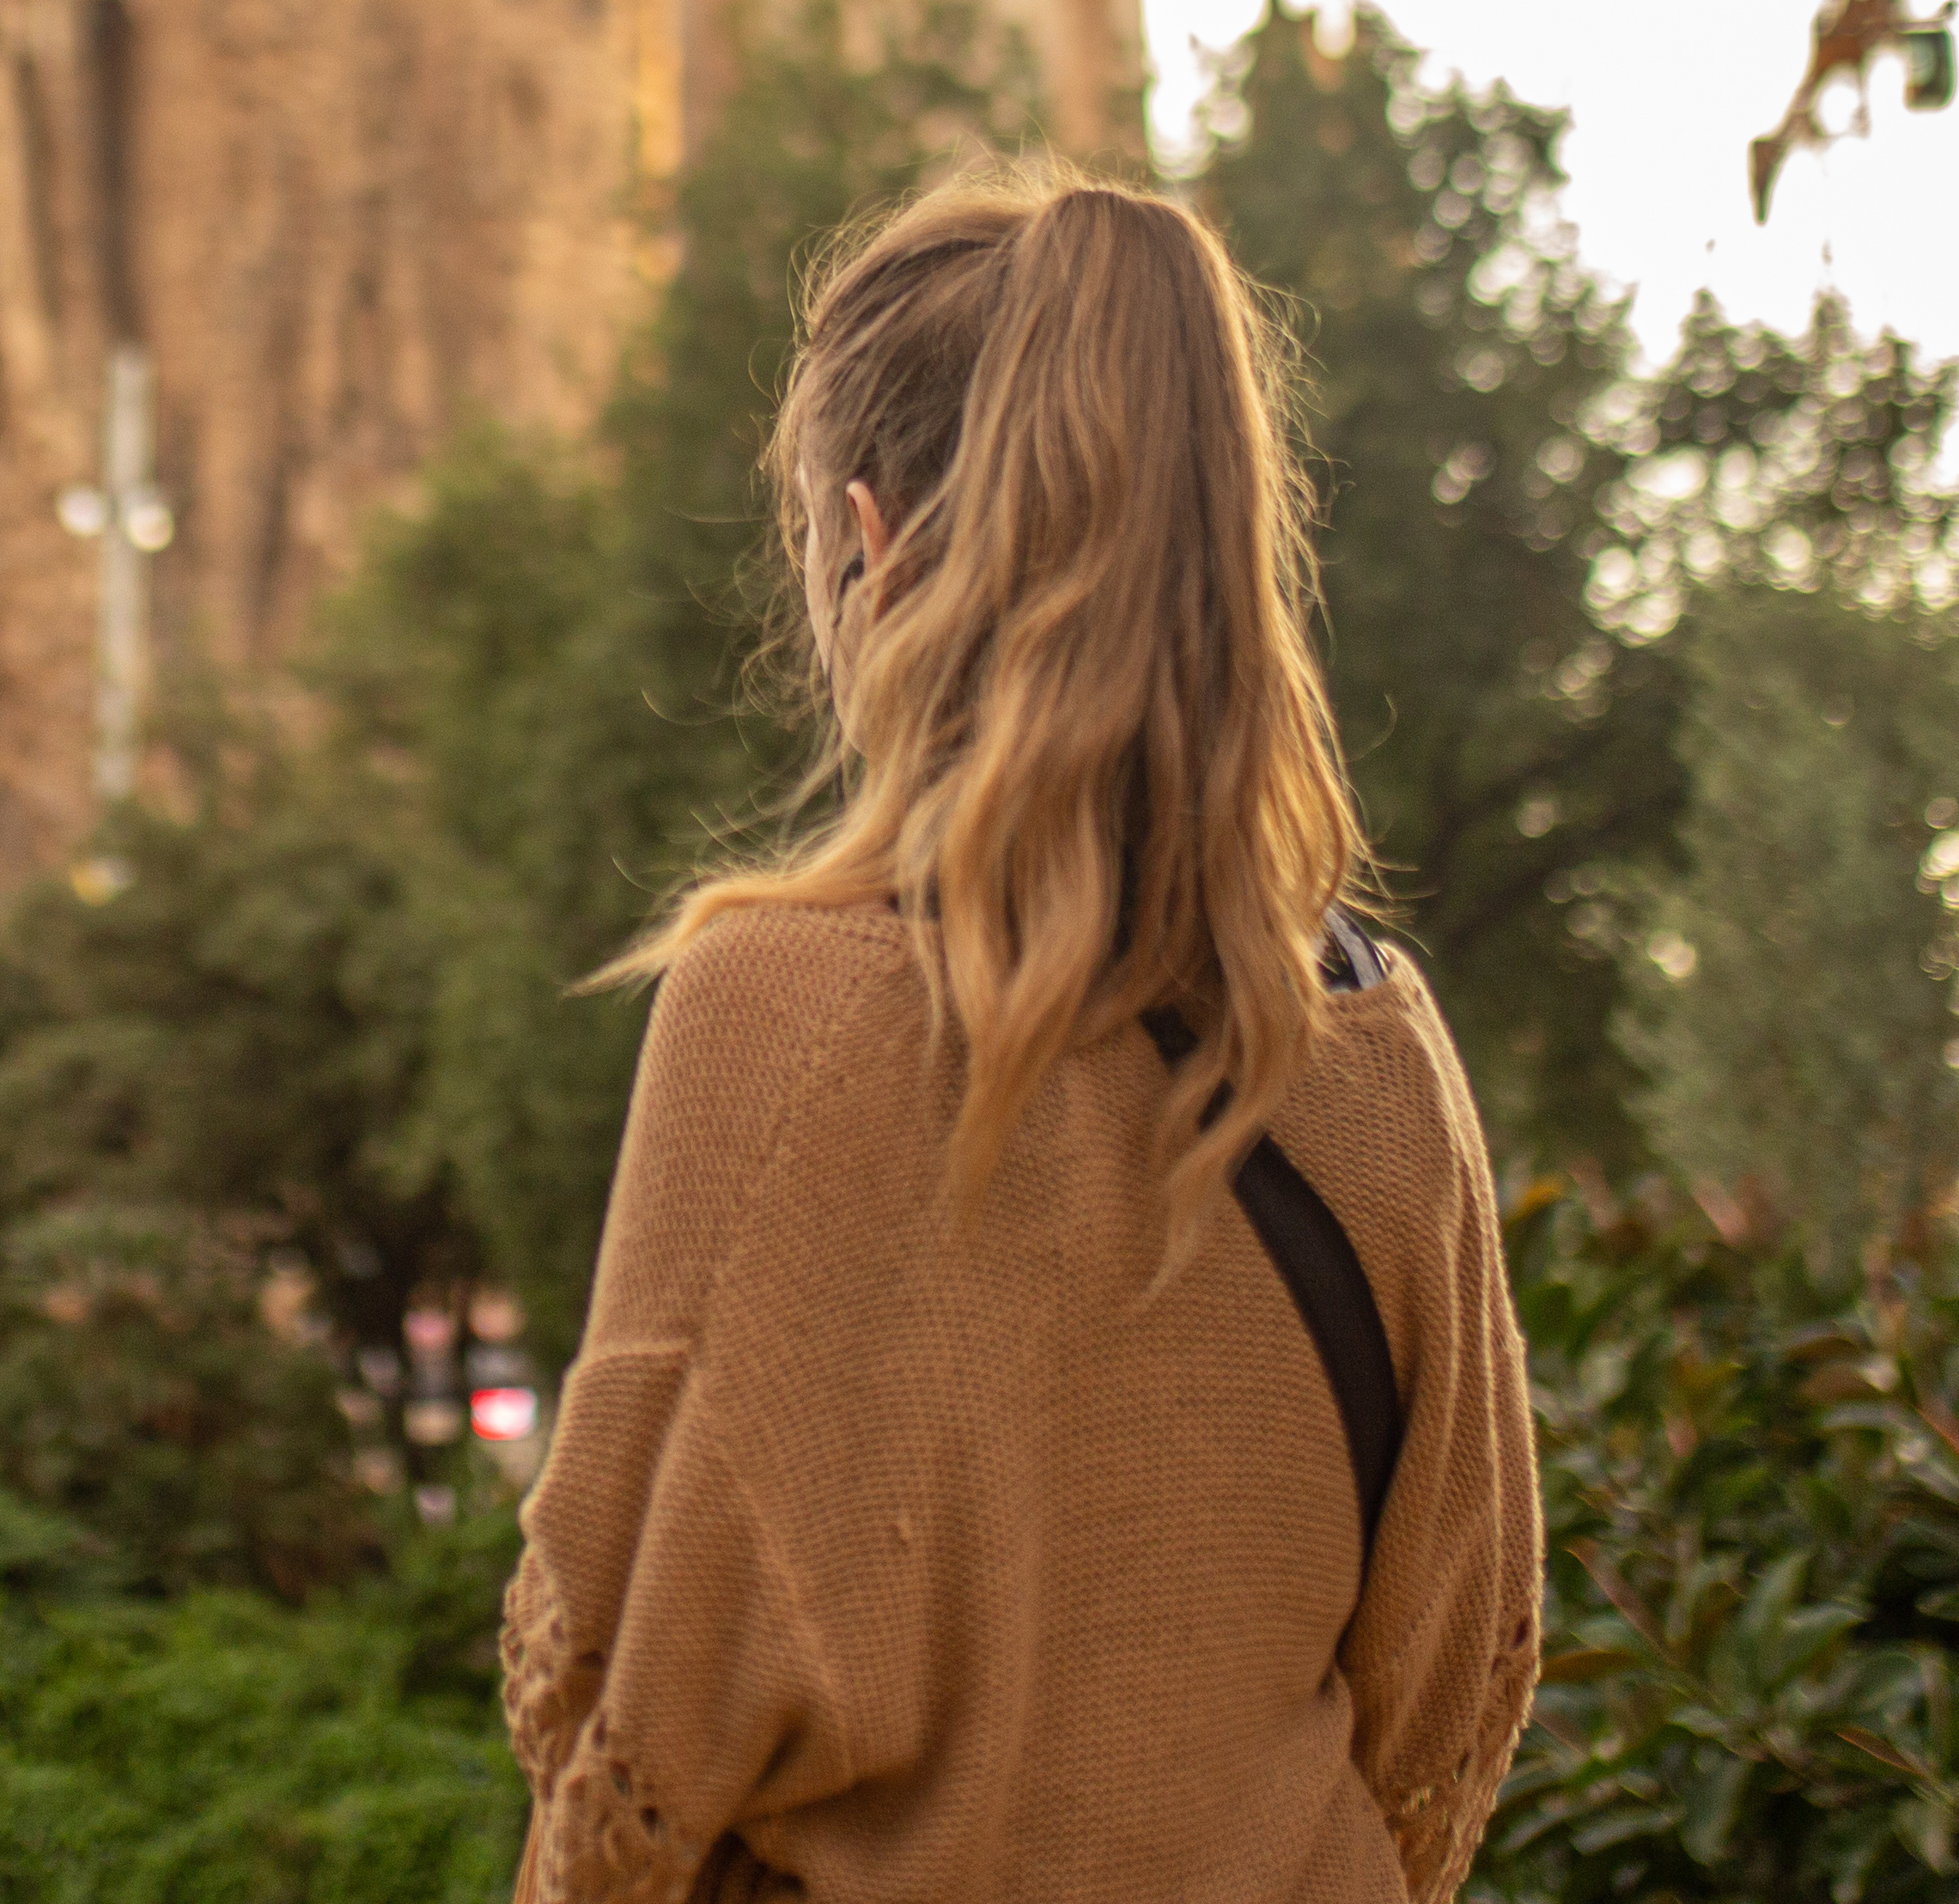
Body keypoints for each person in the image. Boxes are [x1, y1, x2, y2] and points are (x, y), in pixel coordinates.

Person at [501, 163, 1540, 1901]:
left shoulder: (782, 1016)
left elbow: (626, 1730)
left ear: (874, 543)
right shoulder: (1384, 1058)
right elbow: (1450, 1694)